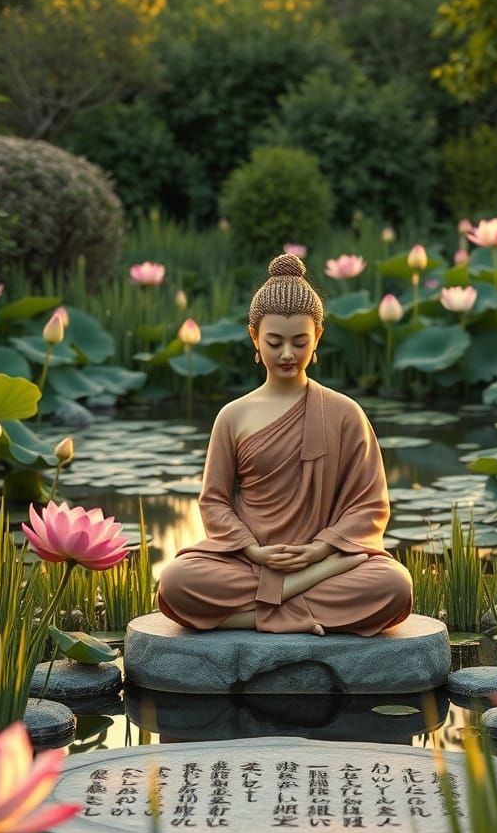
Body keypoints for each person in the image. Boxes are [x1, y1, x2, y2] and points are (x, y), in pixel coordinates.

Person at [156, 252, 413, 636]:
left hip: (321, 561)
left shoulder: (345, 413)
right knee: (176, 581)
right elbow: (214, 501)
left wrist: (322, 549)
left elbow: (370, 505)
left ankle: (253, 614)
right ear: (254, 337)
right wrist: (253, 550)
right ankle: (292, 604)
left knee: (394, 586)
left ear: (318, 338)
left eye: (300, 341)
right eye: (274, 342)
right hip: (251, 560)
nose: (288, 354)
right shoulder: (233, 415)